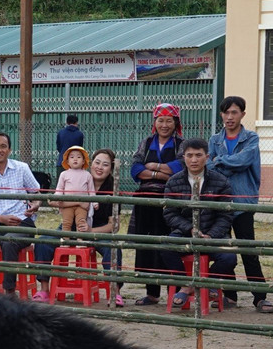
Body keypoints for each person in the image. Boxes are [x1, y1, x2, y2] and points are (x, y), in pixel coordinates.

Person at [0, 131, 54, 301]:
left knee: (9, 240)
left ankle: (9, 293)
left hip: (21, 223)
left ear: (10, 150)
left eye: (3, 146)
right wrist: (1, 219)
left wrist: (36, 204)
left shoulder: (21, 168)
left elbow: (37, 194)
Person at [207, 96, 269, 312]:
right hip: (220, 203)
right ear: (221, 115)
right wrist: (223, 164)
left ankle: (260, 297)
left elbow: (244, 161)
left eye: (234, 112)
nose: (229, 117)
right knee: (225, 250)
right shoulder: (214, 140)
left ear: (243, 114)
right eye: (226, 112)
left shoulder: (251, 138)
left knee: (248, 250)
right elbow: (209, 168)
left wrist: (221, 161)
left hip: (243, 202)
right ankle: (230, 296)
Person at [161, 139, 236, 311]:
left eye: (198, 155)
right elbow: (169, 213)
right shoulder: (173, 182)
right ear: (183, 157)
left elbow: (226, 215)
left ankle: (201, 284)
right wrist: (190, 228)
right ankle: (185, 284)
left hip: (212, 235)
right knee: (165, 247)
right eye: (189, 155)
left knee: (229, 258)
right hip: (185, 233)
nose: (194, 160)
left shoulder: (220, 181)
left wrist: (211, 235)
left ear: (207, 157)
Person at [128, 104, 185, 305]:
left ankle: (176, 294)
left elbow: (180, 168)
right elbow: (135, 169)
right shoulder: (146, 142)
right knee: (147, 246)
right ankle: (152, 293)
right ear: (155, 122)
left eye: (169, 120)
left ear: (176, 123)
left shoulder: (181, 145)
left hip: (170, 203)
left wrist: (152, 167)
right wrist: (160, 173)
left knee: (168, 245)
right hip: (145, 202)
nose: (164, 124)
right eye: (160, 120)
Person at [84, 148, 123, 306]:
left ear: (111, 169)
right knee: (45, 240)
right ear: (90, 164)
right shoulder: (80, 179)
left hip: (99, 229)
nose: (100, 167)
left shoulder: (113, 188)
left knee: (113, 248)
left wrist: (91, 231)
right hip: (75, 224)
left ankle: (115, 292)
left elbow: (114, 226)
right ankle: (44, 290)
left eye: (105, 165)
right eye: (97, 162)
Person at [54, 145, 94, 234]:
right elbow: (60, 188)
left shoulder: (87, 175)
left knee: (81, 222)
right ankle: (65, 241)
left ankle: (80, 240)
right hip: (67, 204)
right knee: (66, 223)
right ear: (67, 161)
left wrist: (94, 202)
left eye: (79, 157)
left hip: (82, 205)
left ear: (83, 161)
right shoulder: (64, 174)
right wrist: (57, 196)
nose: (75, 159)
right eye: (72, 157)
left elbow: (91, 190)